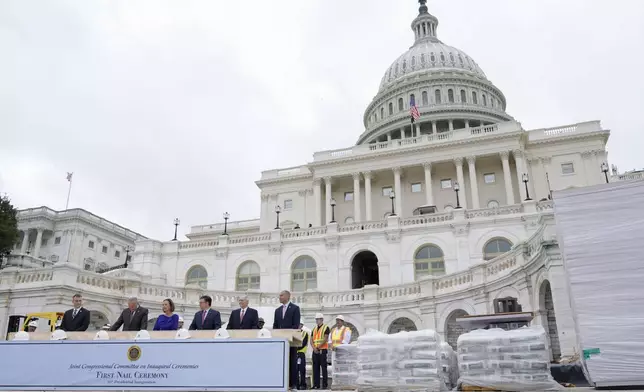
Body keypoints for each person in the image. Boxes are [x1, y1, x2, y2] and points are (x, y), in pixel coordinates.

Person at [273, 290, 301, 390]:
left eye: (281, 295)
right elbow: (275, 326)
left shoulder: (295, 308)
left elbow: (296, 325)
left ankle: (292, 384)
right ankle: (281, 382)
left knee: (292, 362)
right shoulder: (277, 310)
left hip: (291, 341)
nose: (279, 297)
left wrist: (286, 334)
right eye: (279, 295)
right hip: (280, 342)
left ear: (287, 296)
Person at [310, 313, 330, 390]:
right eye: (316, 319)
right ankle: (316, 384)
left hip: (322, 350)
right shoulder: (314, 329)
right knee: (315, 368)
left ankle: (324, 385)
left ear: (322, 319)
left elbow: (325, 339)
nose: (317, 321)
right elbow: (311, 340)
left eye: (318, 319)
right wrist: (314, 348)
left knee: (324, 368)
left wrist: (318, 347)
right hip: (315, 351)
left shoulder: (326, 327)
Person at [297, 320, 310, 390]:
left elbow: (303, 343)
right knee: (295, 370)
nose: (299, 326)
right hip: (294, 354)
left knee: (302, 370)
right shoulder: (294, 332)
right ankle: (296, 384)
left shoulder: (305, 333)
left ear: (302, 325)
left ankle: (303, 384)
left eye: (300, 324)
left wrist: (295, 347)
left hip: (301, 353)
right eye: (298, 324)